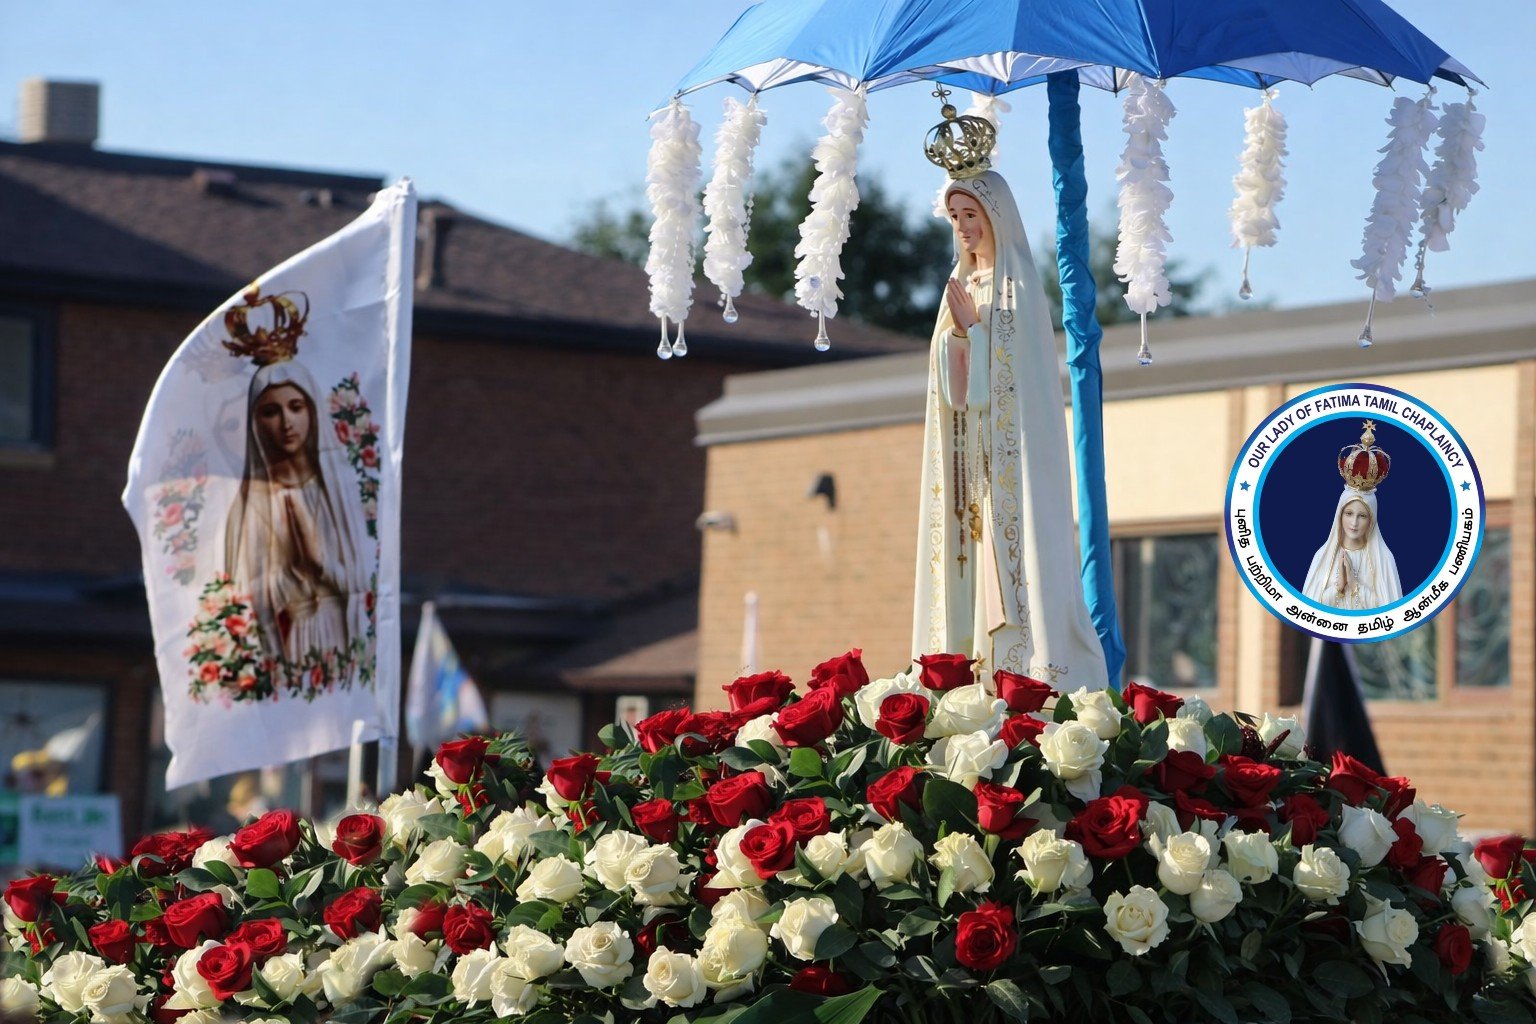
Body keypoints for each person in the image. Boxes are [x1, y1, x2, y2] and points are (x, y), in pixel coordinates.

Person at [912, 170, 1109, 690]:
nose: (963, 227)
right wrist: (958, 333)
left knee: (1016, 566)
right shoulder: (959, 287)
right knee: (969, 564)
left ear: (997, 217)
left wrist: (975, 333)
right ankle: (967, 670)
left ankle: (1027, 671)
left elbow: (1018, 379)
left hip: (1012, 463)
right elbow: (949, 388)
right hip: (969, 466)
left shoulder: (1017, 288)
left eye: (971, 215)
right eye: (955, 218)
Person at [224, 360, 373, 691]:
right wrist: (285, 580)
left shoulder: (338, 493)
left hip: (337, 631)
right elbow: (242, 595)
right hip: (285, 638)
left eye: (295, 407)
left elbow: (364, 578)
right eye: (271, 412)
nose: (286, 422)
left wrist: (323, 565)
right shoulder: (252, 503)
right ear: (255, 422)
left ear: (312, 411)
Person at [1302, 489, 1403, 610]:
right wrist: (1338, 587)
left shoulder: (1384, 558)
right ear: (1340, 515)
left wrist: (1355, 586)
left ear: (1371, 520)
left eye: (1362, 516)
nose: (1354, 523)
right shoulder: (1322, 556)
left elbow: (1392, 614)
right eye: (1349, 513)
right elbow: (1308, 611)